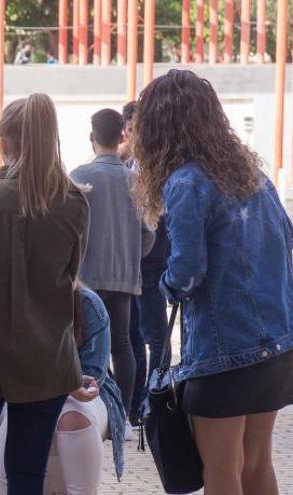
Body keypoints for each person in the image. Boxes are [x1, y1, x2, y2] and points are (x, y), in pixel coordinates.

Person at [132, 69, 293, 495]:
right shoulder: (254, 177)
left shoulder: (186, 182)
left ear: (159, 128)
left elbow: (187, 271)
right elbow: (286, 240)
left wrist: (165, 286)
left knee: (220, 471)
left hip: (223, 351)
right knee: (256, 463)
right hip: (276, 344)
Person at [0, 94, 91, 494]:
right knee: (27, 473)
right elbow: (72, 275)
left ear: (4, 142)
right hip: (47, 356)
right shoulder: (74, 202)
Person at [0, 286, 126, 494]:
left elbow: (92, 378)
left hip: (84, 395)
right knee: (16, 418)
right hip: (25, 393)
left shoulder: (88, 303)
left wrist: (56, 381)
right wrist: (61, 380)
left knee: (74, 415)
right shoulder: (16, 300)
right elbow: (7, 372)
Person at [69, 109, 155, 426]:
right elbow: (150, 233)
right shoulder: (135, 180)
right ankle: (127, 416)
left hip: (85, 278)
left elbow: (66, 229)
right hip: (123, 277)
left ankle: (91, 412)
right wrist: (133, 257)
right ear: (122, 135)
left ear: (92, 138)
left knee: (86, 345)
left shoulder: (78, 176)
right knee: (122, 345)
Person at [120, 100, 169, 426]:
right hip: (136, 262)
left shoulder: (156, 166)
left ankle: (155, 403)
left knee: (155, 337)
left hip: (152, 262)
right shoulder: (130, 166)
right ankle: (139, 406)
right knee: (135, 337)